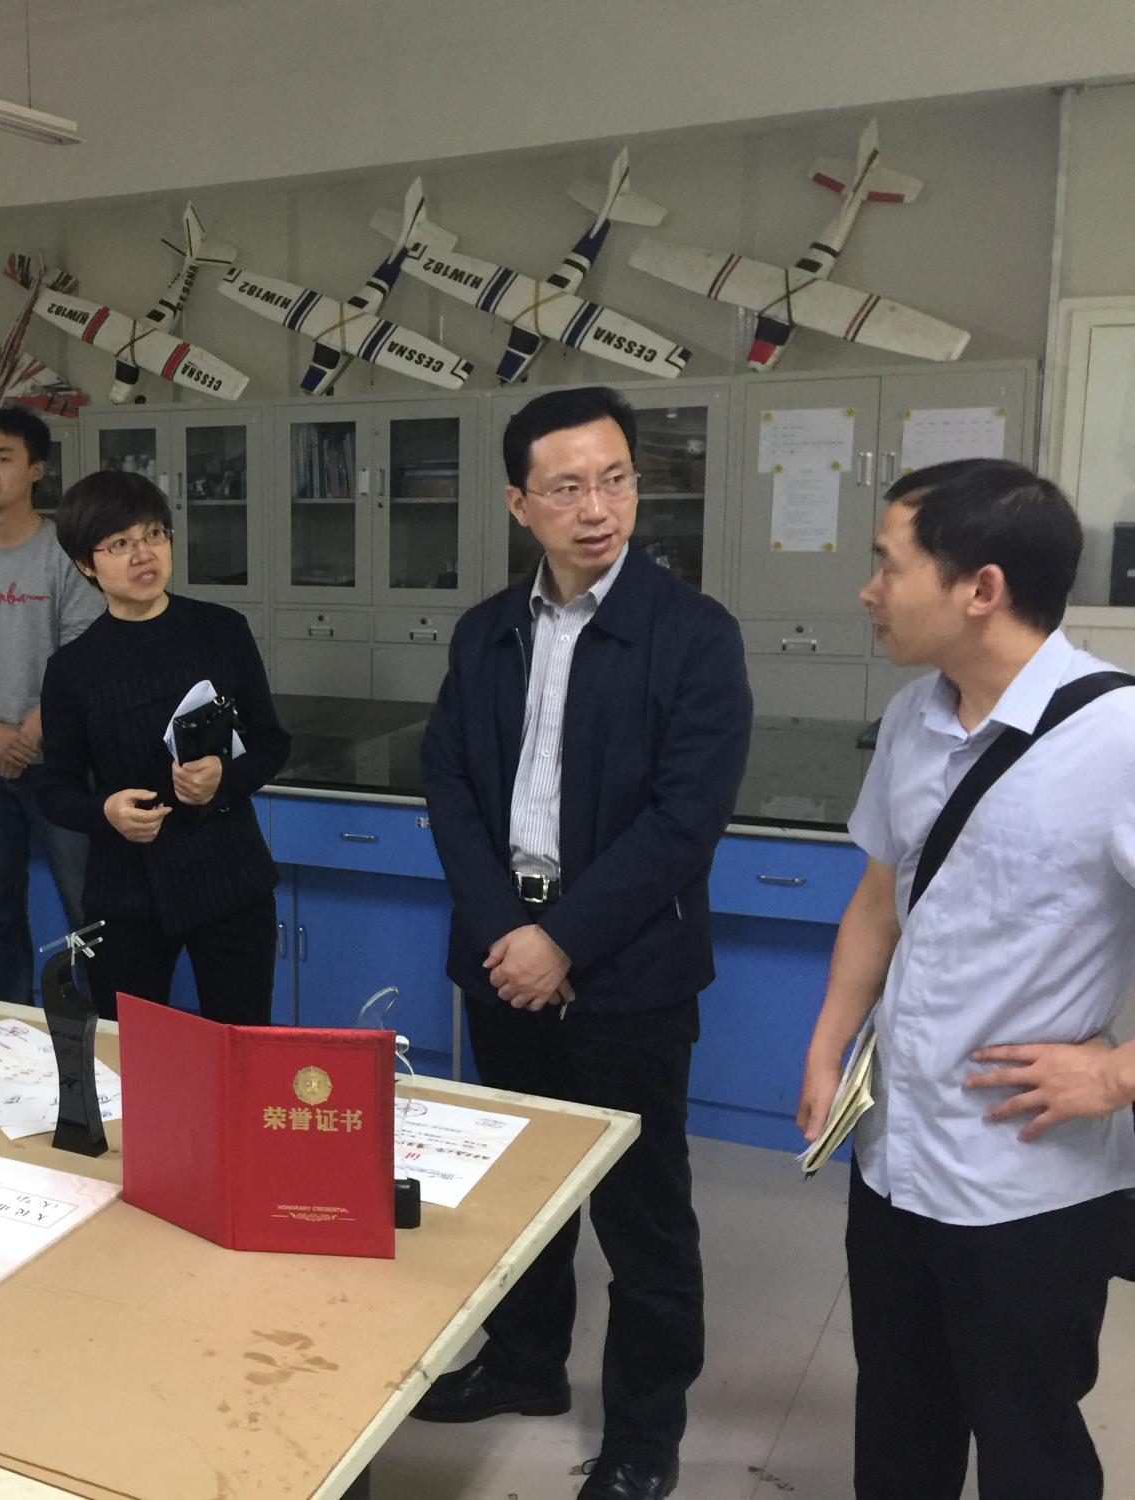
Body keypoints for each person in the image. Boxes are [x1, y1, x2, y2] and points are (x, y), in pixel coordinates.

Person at [415, 386, 752, 1500]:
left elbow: (683, 821)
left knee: (643, 1214)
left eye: (614, 480)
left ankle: (644, 1435)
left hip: (627, 970)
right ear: (520, 504)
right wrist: (506, 931)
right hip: (502, 957)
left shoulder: (692, 634)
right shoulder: (486, 632)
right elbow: (450, 787)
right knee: (520, 1190)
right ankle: (523, 1368)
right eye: (565, 487)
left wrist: (559, 939)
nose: (596, 508)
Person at [795, 458, 1135, 1500]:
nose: (868, 591)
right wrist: (826, 1045)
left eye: (888, 565)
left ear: (979, 588)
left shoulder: (1118, 739)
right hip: (894, 1157)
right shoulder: (912, 718)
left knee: (1028, 1443)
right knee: (899, 1423)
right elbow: (879, 900)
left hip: (1025, 1183)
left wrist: (1116, 1074)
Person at [39, 470, 291, 1023]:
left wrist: (224, 778)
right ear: (86, 564)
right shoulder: (73, 669)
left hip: (229, 877)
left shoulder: (221, 630)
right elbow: (55, 789)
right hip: (126, 890)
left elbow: (272, 742)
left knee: (242, 1042)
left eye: (154, 534)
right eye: (120, 543)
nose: (143, 554)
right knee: (133, 1049)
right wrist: (105, 812)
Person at [0, 406, 101, 1004]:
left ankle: (101, 1028)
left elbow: (82, 654)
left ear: (36, 469)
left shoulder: (65, 554)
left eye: (4, 458)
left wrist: (29, 733)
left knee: (86, 909)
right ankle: (8, 1022)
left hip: (59, 764)